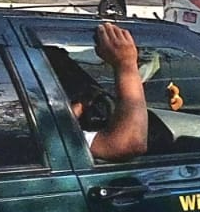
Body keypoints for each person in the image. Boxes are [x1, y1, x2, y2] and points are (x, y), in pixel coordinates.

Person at [46, 22, 148, 161]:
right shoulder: (34, 133)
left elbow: (54, 125)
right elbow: (129, 143)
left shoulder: (19, 120)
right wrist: (126, 64)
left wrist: (80, 105)